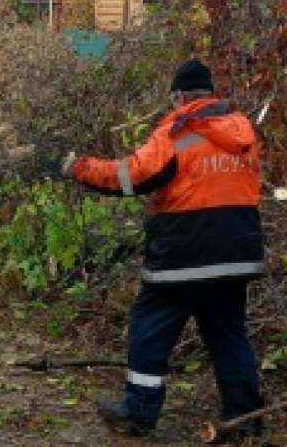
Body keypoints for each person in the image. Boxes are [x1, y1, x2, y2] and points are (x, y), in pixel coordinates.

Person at [60, 58, 265, 440]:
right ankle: (245, 418)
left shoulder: (178, 131)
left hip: (182, 254)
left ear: (180, 95)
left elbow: (132, 176)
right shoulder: (242, 130)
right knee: (228, 334)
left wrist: (79, 167)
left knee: (149, 329)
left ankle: (138, 411)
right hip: (238, 251)